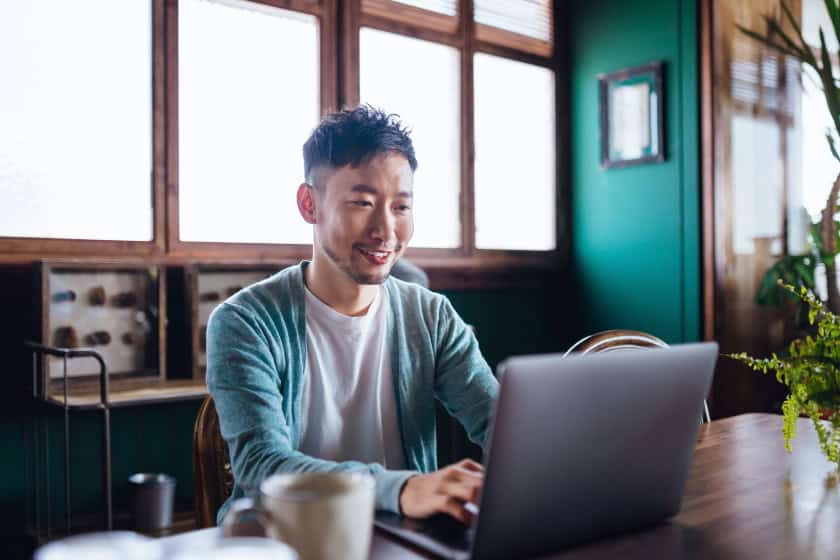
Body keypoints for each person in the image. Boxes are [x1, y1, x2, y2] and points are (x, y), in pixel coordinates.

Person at [206, 105, 499, 526]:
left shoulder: (432, 316)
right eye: (362, 202)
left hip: (401, 538)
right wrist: (403, 488)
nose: (385, 230)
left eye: (401, 207)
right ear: (310, 204)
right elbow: (261, 466)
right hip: (285, 543)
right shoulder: (244, 322)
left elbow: (497, 422)